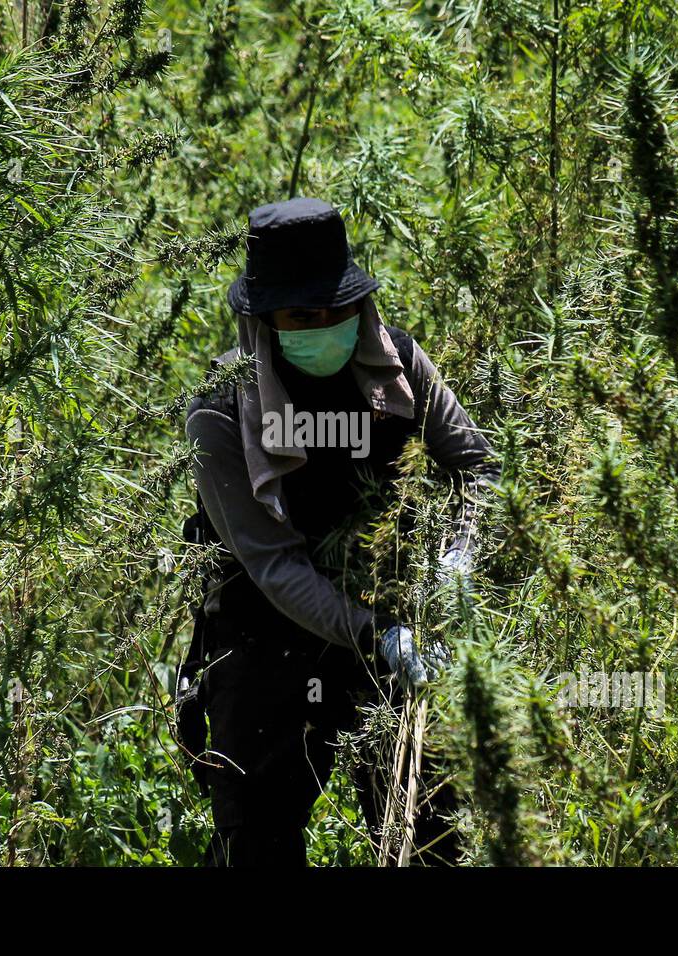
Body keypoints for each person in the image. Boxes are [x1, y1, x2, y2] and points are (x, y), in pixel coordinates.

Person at [181, 196, 499, 866]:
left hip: (395, 626)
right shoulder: (219, 414)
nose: (323, 327)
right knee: (258, 843)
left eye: (337, 312)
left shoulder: (400, 368)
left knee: (430, 835)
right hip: (266, 638)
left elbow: (477, 465)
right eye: (302, 317)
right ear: (264, 318)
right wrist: (374, 635)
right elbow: (273, 566)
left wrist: (459, 561)